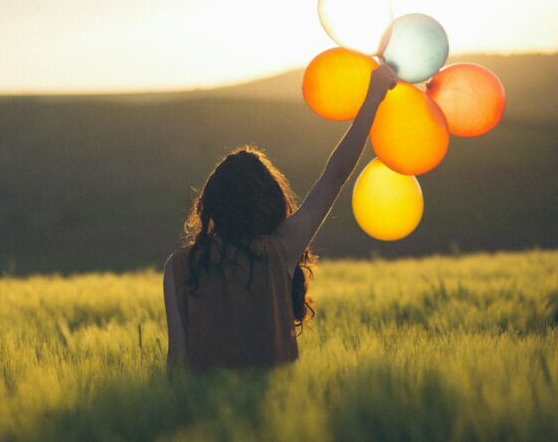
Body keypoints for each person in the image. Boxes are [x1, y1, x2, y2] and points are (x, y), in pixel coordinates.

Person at [163, 64, 398, 372]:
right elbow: (335, 176)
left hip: (204, 415)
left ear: (212, 204)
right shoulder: (280, 249)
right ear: (268, 201)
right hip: (276, 413)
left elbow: (177, 358)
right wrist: (373, 97)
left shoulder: (180, 266)